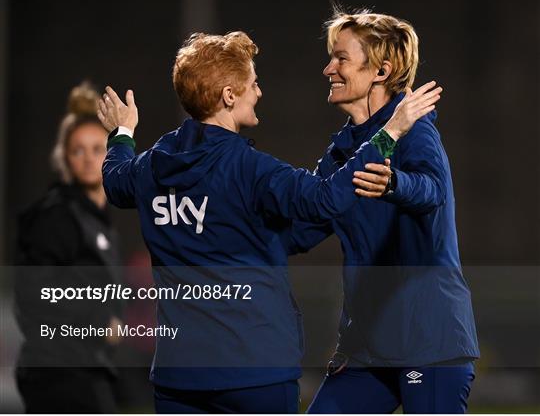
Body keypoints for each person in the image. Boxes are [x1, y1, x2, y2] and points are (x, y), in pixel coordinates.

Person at [98, 31, 441, 413]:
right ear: (230, 95)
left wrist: (122, 132)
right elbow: (325, 199)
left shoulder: (152, 167)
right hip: (254, 369)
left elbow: (115, 182)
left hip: (179, 375)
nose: (258, 92)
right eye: (253, 83)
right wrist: (389, 132)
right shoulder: (251, 169)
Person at [285, 8, 480, 413]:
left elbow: (433, 192)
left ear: (380, 71)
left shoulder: (415, 127)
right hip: (366, 350)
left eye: (341, 58)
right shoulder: (344, 150)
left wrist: (393, 183)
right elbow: (302, 230)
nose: (328, 68)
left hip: (427, 343)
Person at [14, 82, 123, 413]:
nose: (89, 159)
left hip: (85, 366)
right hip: (58, 371)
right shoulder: (57, 215)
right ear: (65, 157)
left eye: (98, 149)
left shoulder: (96, 219)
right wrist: (99, 319)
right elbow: (36, 293)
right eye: (78, 150)